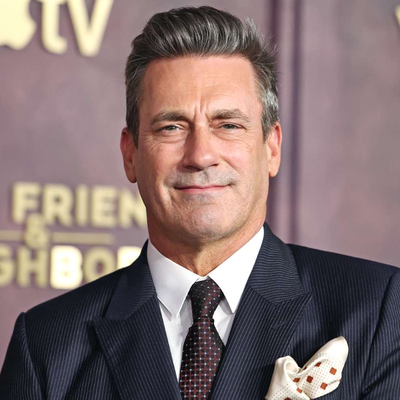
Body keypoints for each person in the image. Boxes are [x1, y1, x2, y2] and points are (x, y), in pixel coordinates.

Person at [1, 6, 399, 399]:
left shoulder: (379, 312)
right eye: (171, 127)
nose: (201, 155)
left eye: (229, 125)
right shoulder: (45, 347)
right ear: (130, 154)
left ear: (272, 147)